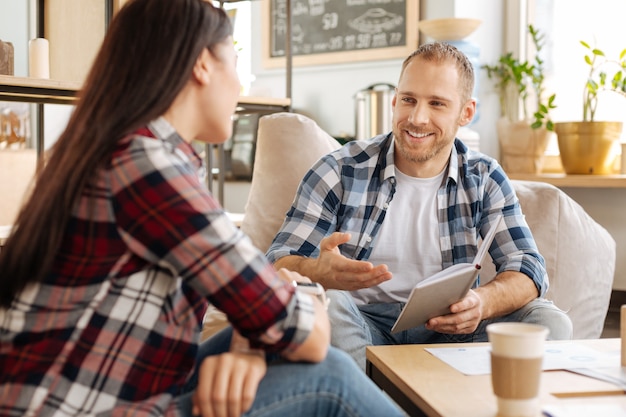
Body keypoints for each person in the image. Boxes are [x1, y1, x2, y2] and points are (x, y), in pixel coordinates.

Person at [0, 1, 405, 416]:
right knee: (329, 377)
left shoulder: (118, 151)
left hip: (100, 391)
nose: (239, 85)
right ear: (201, 64)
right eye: (234, 60)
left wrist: (251, 338)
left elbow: (258, 293)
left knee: (279, 349)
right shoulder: (149, 168)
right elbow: (307, 333)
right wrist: (291, 291)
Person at [267, 42, 573, 370]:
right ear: (395, 100)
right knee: (326, 303)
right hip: (361, 325)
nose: (417, 118)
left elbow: (528, 267)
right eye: (408, 100)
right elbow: (275, 262)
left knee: (548, 321)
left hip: (451, 330)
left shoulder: (484, 177)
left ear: (465, 113)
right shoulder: (338, 170)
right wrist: (318, 272)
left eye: (437, 103)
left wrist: (480, 303)